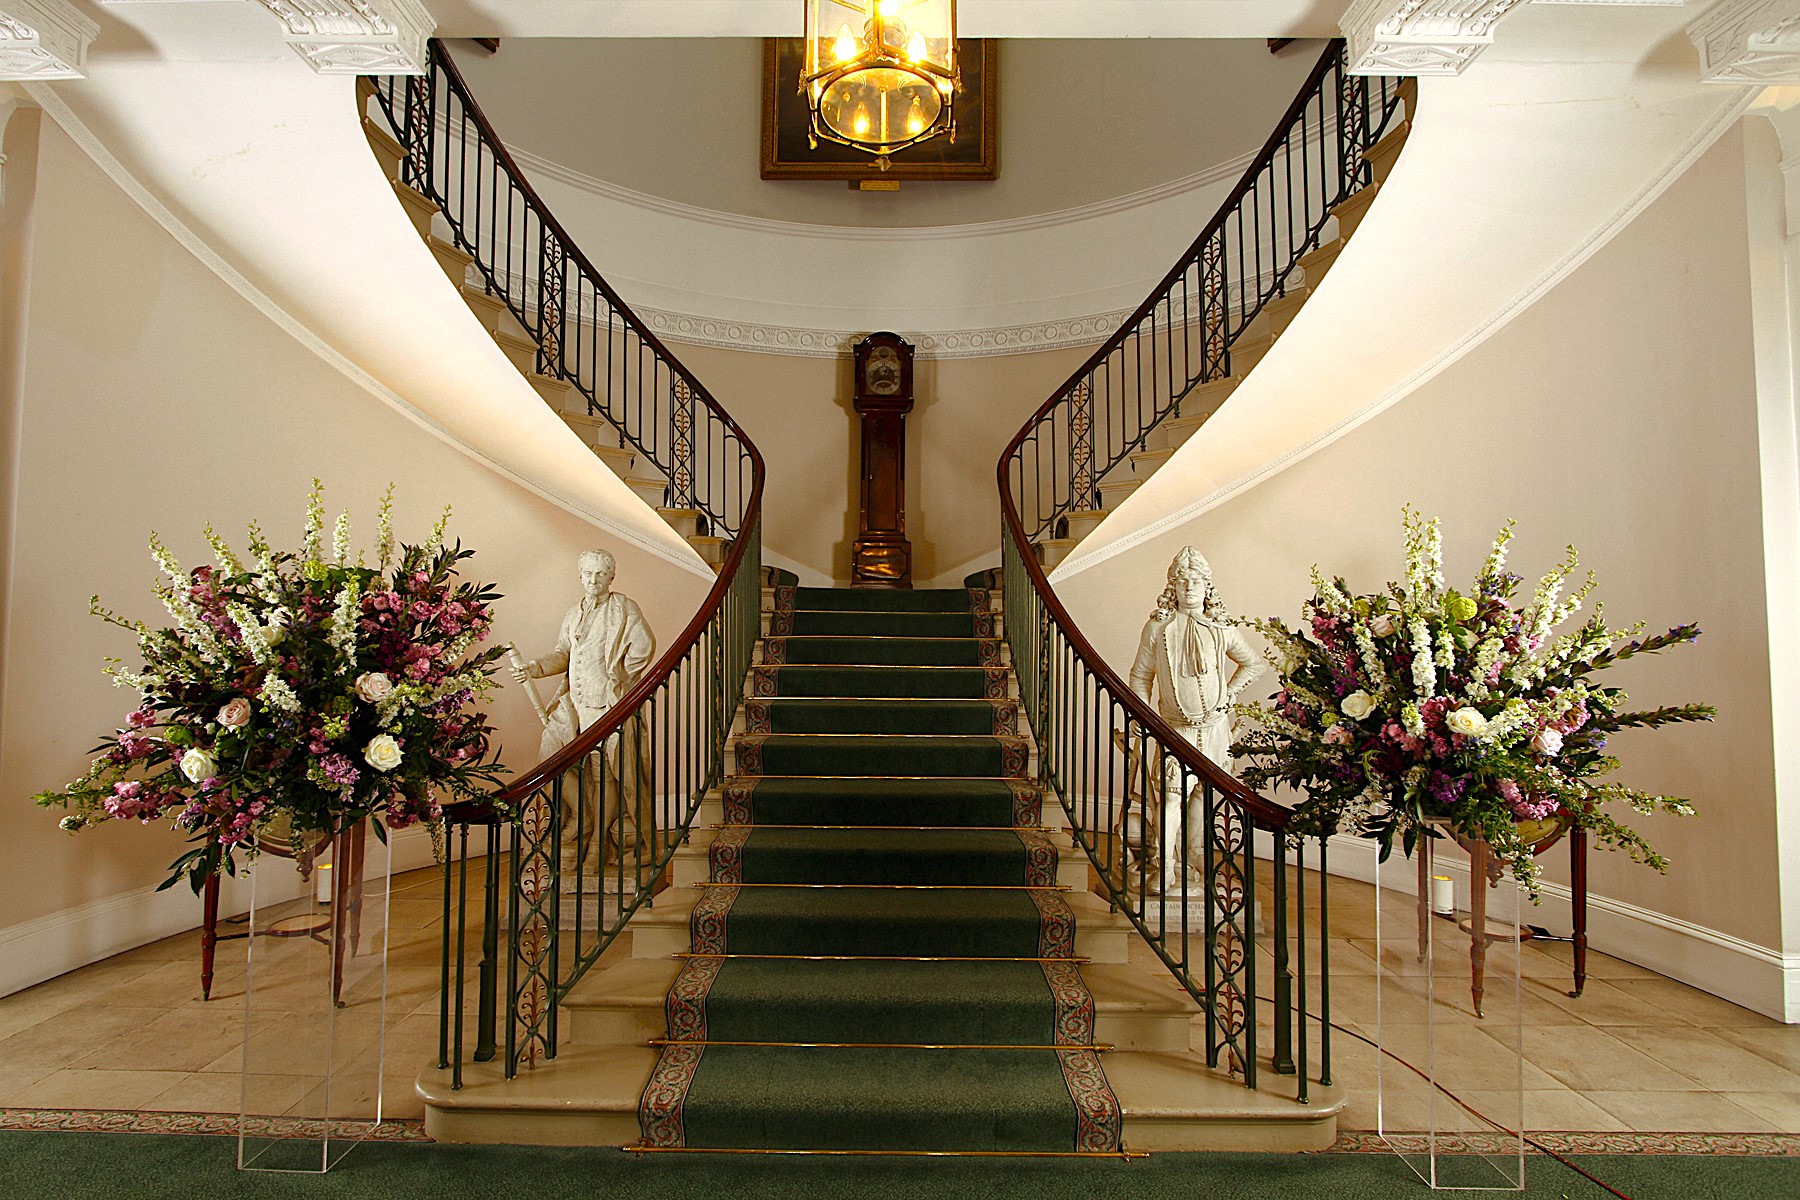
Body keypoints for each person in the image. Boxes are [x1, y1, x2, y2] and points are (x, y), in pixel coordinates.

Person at [512, 549, 656, 869]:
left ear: (610, 577)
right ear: (580, 576)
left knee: (603, 772)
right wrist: (534, 668)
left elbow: (644, 646)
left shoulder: (623, 608)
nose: (593, 580)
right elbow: (562, 653)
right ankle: (581, 816)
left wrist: (619, 677)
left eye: (600, 574)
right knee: (551, 760)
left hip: (605, 703)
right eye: (588, 574)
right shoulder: (572, 614)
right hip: (574, 703)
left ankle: (596, 843)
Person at [1127, 547, 1262, 887]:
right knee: (1172, 796)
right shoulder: (1157, 629)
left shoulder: (1220, 629)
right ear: (1173, 586)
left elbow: (1253, 664)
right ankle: (1166, 865)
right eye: (1183, 581)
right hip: (1176, 730)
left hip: (1214, 729)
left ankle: (1193, 858)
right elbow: (1140, 676)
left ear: (1207, 587)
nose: (1189, 587)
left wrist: (1230, 694)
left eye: (1196, 581)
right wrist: (1144, 716)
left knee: (1204, 795)